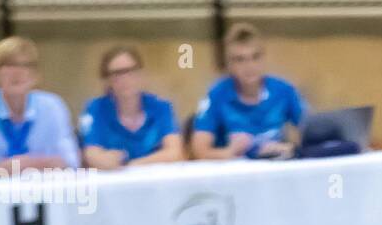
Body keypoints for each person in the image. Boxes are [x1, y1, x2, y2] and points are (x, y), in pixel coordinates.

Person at [0, 36, 80, 179]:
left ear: (35, 74)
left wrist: (13, 165)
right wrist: (40, 163)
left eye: (25, 65)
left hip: (46, 192)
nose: (17, 72)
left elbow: (71, 162)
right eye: (9, 65)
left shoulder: (53, 106)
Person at [191, 23, 307, 160]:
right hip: (233, 175)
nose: (249, 66)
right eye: (240, 60)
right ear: (229, 64)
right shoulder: (216, 95)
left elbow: (311, 131)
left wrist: (290, 148)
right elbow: (199, 151)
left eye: (255, 57)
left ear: (264, 58)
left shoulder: (284, 91)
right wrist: (231, 152)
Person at [79, 46, 184, 168]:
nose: (125, 79)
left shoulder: (161, 107)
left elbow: (175, 153)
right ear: (107, 80)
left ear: (141, 74)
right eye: (117, 73)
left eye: (130, 71)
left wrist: (131, 165)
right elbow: (91, 155)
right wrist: (104, 159)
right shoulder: (95, 109)